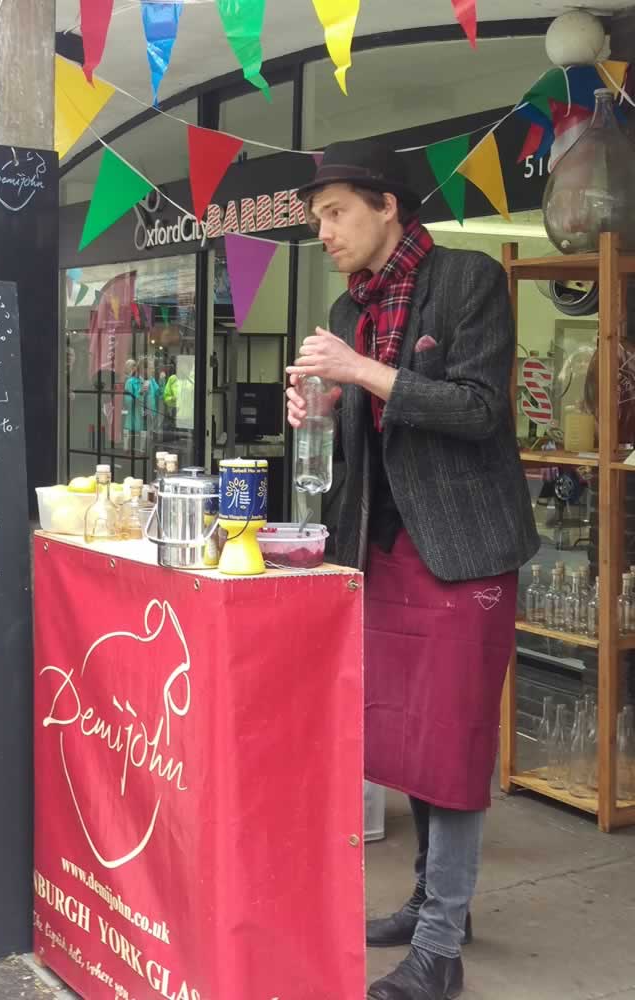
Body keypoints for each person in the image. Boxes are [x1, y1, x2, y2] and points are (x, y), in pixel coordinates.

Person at [286, 140, 539, 1000]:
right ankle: (438, 900)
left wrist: (359, 372)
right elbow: (368, 436)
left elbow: (477, 410)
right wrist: (323, 408)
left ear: (388, 206)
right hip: (384, 548)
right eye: (318, 217)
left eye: (335, 213)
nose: (322, 232)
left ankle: (439, 950)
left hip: (464, 549)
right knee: (406, 735)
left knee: (454, 739)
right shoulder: (348, 308)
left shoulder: (467, 279)